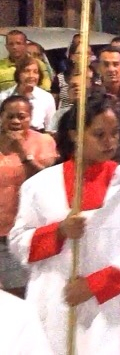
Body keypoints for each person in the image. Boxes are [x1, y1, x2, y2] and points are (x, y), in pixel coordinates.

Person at [9, 94, 120, 355]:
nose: (109, 141)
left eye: (114, 133)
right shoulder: (39, 186)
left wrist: (94, 285)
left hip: (114, 304)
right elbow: (19, 242)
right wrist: (58, 231)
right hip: (56, 300)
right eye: (99, 134)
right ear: (75, 135)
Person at [0, 95, 58, 297]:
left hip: (19, 232)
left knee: (18, 295)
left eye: (21, 116)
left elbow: (46, 182)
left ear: (30, 117)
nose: (15, 121)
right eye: (10, 116)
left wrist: (22, 153)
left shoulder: (42, 142)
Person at [0, 57, 56, 133]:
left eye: (35, 72)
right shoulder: (4, 97)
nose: (31, 76)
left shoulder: (46, 98)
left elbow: (51, 128)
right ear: (18, 74)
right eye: (26, 71)